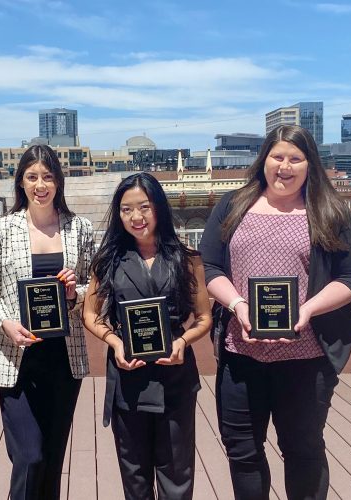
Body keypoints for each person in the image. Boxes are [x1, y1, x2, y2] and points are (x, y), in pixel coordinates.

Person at [199, 125, 351, 500]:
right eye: (278, 157)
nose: (285, 167)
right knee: (243, 451)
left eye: (296, 158)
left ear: (310, 164)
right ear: (264, 160)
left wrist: (308, 308)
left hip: (306, 358)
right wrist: (238, 305)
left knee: (303, 451)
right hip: (241, 353)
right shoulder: (232, 204)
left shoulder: (330, 210)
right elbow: (211, 268)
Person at [82, 173, 212, 500]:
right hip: (129, 376)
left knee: (177, 473)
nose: (136, 217)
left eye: (144, 207)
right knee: (135, 476)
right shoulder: (107, 260)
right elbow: (90, 314)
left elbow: (203, 317)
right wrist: (115, 342)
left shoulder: (187, 258)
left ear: (159, 208)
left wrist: (183, 341)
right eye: (126, 210)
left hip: (175, 375)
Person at [0, 144, 94, 499]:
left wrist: (75, 293)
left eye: (47, 177)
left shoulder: (80, 228)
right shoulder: (1, 229)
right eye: (32, 177)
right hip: (16, 357)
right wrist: (6, 325)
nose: (40, 185)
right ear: (21, 183)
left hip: (63, 358)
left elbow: (93, 286)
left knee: (53, 458)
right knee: (29, 456)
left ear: (58, 181)